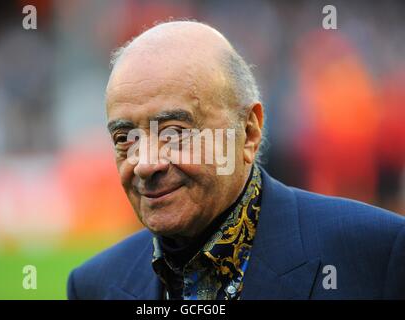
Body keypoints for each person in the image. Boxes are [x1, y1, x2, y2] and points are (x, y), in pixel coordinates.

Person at [67, 21, 405, 300]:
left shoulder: (377, 254)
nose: (144, 164)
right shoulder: (94, 286)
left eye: (174, 133)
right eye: (126, 138)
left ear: (249, 131)